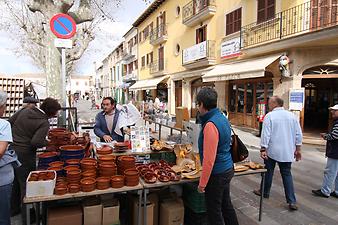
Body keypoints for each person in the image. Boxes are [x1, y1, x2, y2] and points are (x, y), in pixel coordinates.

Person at [9, 97, 61, 223]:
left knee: (15, 181)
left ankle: (13, 209)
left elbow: (9, 122)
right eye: (56, 112)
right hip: (25, 154)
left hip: (11, 150)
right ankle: (27, 218)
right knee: (26, 186)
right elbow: (36, 142)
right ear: (51, 112)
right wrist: (48, 143)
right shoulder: (43, 122)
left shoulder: (26, 110)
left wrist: (16, 137)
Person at [196, 87, 239, 225]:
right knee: (226, 205)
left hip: (217, 174)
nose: (197, 108)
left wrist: (202, 184)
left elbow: (209, 160)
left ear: (202, 104)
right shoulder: (221, 117)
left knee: (214, 212)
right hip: (227, 168)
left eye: (198, 104)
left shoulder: (210, 124)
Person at [253, 96, 302, 210]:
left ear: (274, 104)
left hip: (272, 151)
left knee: (268, 172)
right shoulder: (292, 116)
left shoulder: (270, 116)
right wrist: (298, 149)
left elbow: (266, 134)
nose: (268, 105)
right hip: (286, 151)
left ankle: (264, 192)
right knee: (287, 175)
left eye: (269, 103)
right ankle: (291, 201)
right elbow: (298, 134)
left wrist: (263, 148)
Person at [0, 91, 21, 225]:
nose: (5, 109)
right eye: (4, 106)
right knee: (2, 217)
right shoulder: (3, 125)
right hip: (2, 179)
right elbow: (1, 151)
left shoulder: (11, 120)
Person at [312, 104, 338, 198]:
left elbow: (335, 136)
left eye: (334, 111)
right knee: (337, 173)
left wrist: (325, 136)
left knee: (330, 172)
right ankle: (337, 191)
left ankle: (325, 191)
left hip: (335, 152)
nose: (332, 112)